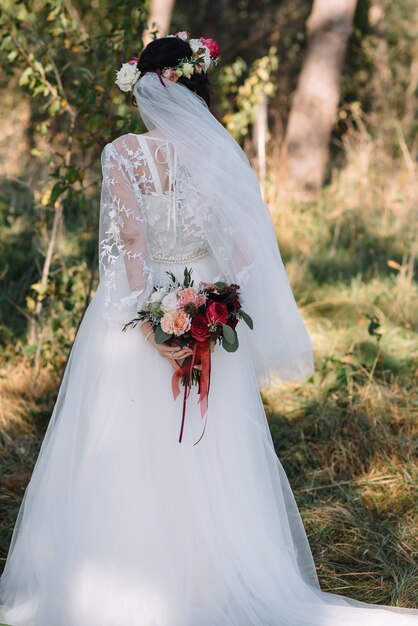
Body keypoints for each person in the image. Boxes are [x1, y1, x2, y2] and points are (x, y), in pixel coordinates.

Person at [0, 33, 416, 626]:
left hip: (141, 308)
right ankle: (216, 574)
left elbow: (132, 247)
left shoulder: (123, 155)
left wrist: (149, 324)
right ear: (197, 84)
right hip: (209, 311)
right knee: (213, 450)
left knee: (129, 442)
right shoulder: (220, 153)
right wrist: (211, 307)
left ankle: (124, 576)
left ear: (144, 87)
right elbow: (245, 250)